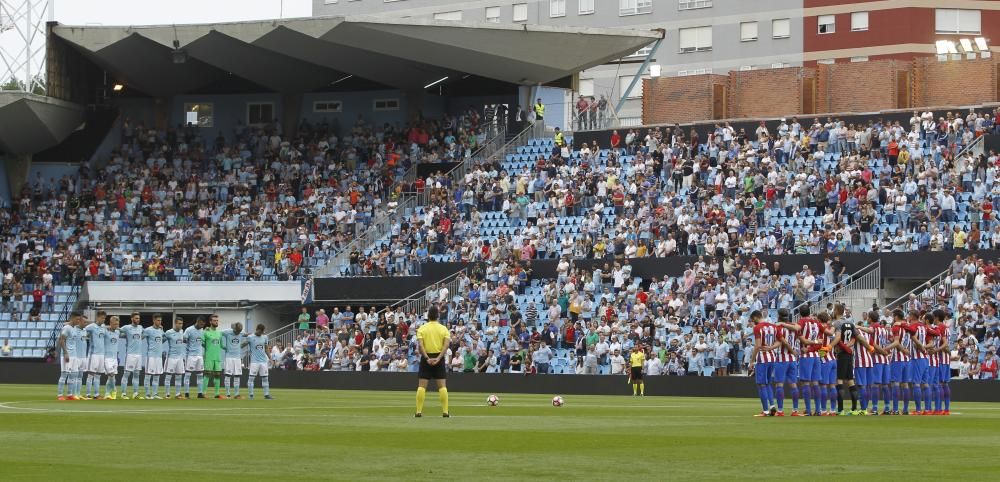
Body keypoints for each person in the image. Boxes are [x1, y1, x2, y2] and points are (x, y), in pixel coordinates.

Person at [827, 303, 873, 415]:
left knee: (840, 379)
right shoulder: (850, 323)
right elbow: (858, 337)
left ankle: (841, 410)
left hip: (841, 354)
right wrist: (869, 347)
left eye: (834, 310)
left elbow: (836, 336)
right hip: (850, 354)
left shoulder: (837, 323)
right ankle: (854, 409)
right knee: (851, 380)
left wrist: (829, 347)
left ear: (837, 311)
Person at [415, 305, 451, 418]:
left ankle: (418, 411)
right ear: (438, 315)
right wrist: (439, 358)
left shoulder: (422, 328)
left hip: (427, 358)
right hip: (438, 358)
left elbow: (421, 346)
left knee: (422, 386)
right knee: (442, 386)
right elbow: (446, 346)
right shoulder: (444, 329)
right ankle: (445, 411)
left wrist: (427, 358)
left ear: (428, 316)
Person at [749, 310, 779, 417]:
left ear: (756, 317)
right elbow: (779, 341)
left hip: (762, 358)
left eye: (753, 320)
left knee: (761, 384)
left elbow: (757, 346)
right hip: (772, 357)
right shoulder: (773, 326)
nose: (753, 322)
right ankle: (772, 406)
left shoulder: (757, 328)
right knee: (768, 383)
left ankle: (765, 411)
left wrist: (752, 361)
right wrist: (771, 347)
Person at [796, 306, 825, 416]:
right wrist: (816, 341)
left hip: (806, 356)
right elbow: (822, 338)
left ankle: (808, 410)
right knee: (816, 383)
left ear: (800, 314)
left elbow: (799, 334)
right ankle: (818, 410)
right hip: (816, 356)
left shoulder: (802, 321)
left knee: (806, 383)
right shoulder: (817, 323)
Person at [773, 308, 802, 416]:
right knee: (793, 385)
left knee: (779, 384)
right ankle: (795, 410)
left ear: (779, 316)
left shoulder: (779, 326)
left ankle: (780, 410)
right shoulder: (794, 327)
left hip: (782, 358)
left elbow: (782, 342)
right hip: (792, 360)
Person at [886, 309, 913, 415]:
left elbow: (897, 342)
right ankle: (905, 409)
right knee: (905, 384)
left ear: (896, 316)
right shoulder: (908, 327)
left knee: (895, 383)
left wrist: (886, 348)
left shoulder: (896, 326)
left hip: (897, 358)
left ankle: (896, 409)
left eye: (893, 315)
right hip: (907, 359)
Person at [56, 312, 85, 401]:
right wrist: (65, 353)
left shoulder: (75, 328)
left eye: (79, 319)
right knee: (64, 374)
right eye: (77, 319)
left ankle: (70, 394)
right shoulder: (66, 328)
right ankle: (60, 395)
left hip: (74, 355)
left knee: (74, 375)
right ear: (72, 318)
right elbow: (61, 340)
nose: (78, 321)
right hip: (67, 354)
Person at [118, 312, 145, 399]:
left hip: (139, 355)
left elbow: (143, 335)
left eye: (139, 318)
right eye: (136, 318)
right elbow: (117, 331)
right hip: (130, 354)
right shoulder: (127, 327)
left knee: (137, 374)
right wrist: (124, 336)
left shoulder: (141, 328)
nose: (138, 320)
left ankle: (135, 393)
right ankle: (123, 394)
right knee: (126, 374)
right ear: (132, 319)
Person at [244, 324, 273, 400]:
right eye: (260, 331)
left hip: (263, 361)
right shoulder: (250, 337)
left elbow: (266, 348)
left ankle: (266, 394)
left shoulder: (265, 337)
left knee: (265, 378)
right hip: (254, 361)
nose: (261, 333)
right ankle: (251, 395)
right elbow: (242, 345)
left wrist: (270, 358)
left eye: (262, 332)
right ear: (257, 329)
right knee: (251, 378)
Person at [83, 310, 107, 399]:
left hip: (101, 354)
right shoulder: (91, 327)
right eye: (102, 318)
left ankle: (96, 394)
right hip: (93, 354)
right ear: (97, 317)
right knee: (91, 374)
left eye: (104, 318)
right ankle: (88, 394)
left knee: (98, 375)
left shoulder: (103, 327)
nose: (103, 320)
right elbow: (82, 330)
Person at [142, 314, 166, 399]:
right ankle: (147, 394)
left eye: (160, 320)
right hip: (151, 356)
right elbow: (141, 338)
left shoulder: (161, 330)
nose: (160, 322)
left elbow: (162, 340)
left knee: (157, 376)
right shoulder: (148, 330)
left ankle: (155, 394)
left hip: (159, 357)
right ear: (154, 320)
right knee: (148, 375)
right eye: (158, 320)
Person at [163, 317, 187, 399]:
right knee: (168, 376)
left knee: (179, 376)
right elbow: (161, 340)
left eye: (182, 323)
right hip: (171, 358)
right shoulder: (169, 332)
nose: (181, 325)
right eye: (179, 323)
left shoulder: (181, 332)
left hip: (180, 358)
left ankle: (177, 394)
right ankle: (167, 394)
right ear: (175, 323)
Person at [184, 317, 207, 398]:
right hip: (191, 355)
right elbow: (184, 340)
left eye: (203, 324)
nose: (202, 325)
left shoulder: (202, 330)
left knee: (200, 375)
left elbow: (201, 342)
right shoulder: (189, 330)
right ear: (197, 321)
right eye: (201, 324)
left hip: (199, 355)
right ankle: (186, 393)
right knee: (188, 375)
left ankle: (200, 393)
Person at [202, 314, 224, 399]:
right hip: (209, 356)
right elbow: (202, 343)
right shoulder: (206, 332)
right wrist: (208, 350)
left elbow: (221, 345)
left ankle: (217, 394)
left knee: (218, 375)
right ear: (210, 321)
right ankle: (203, 393)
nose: (216, 322)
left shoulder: (219, 333)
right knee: (207, 374)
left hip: (218, 357)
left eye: (217, 320)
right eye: (214, 320)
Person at [221, 322, 245, 399]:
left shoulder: (241, 333)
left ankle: (236, 394)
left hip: (237, 357)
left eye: (240, 331)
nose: (238, 332)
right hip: (229, 357)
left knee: (237, 375)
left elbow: (248, 334)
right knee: (228, 375)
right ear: (234, 328)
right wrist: (222, 345)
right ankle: (228, 394)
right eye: (237, 330)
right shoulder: (227, 332)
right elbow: (218, 334)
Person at [103, 316, 121, 399]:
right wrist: (108, 327)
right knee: (111, 375)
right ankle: (114, 390)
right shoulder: (106, 332)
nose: (116, 326)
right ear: (110, 323)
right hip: (107, 358)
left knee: (111, 376)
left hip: (114, 358)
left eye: (117, 324)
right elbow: (100, 326)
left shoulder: (118, 332)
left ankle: (107, 393)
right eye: (114, 324)